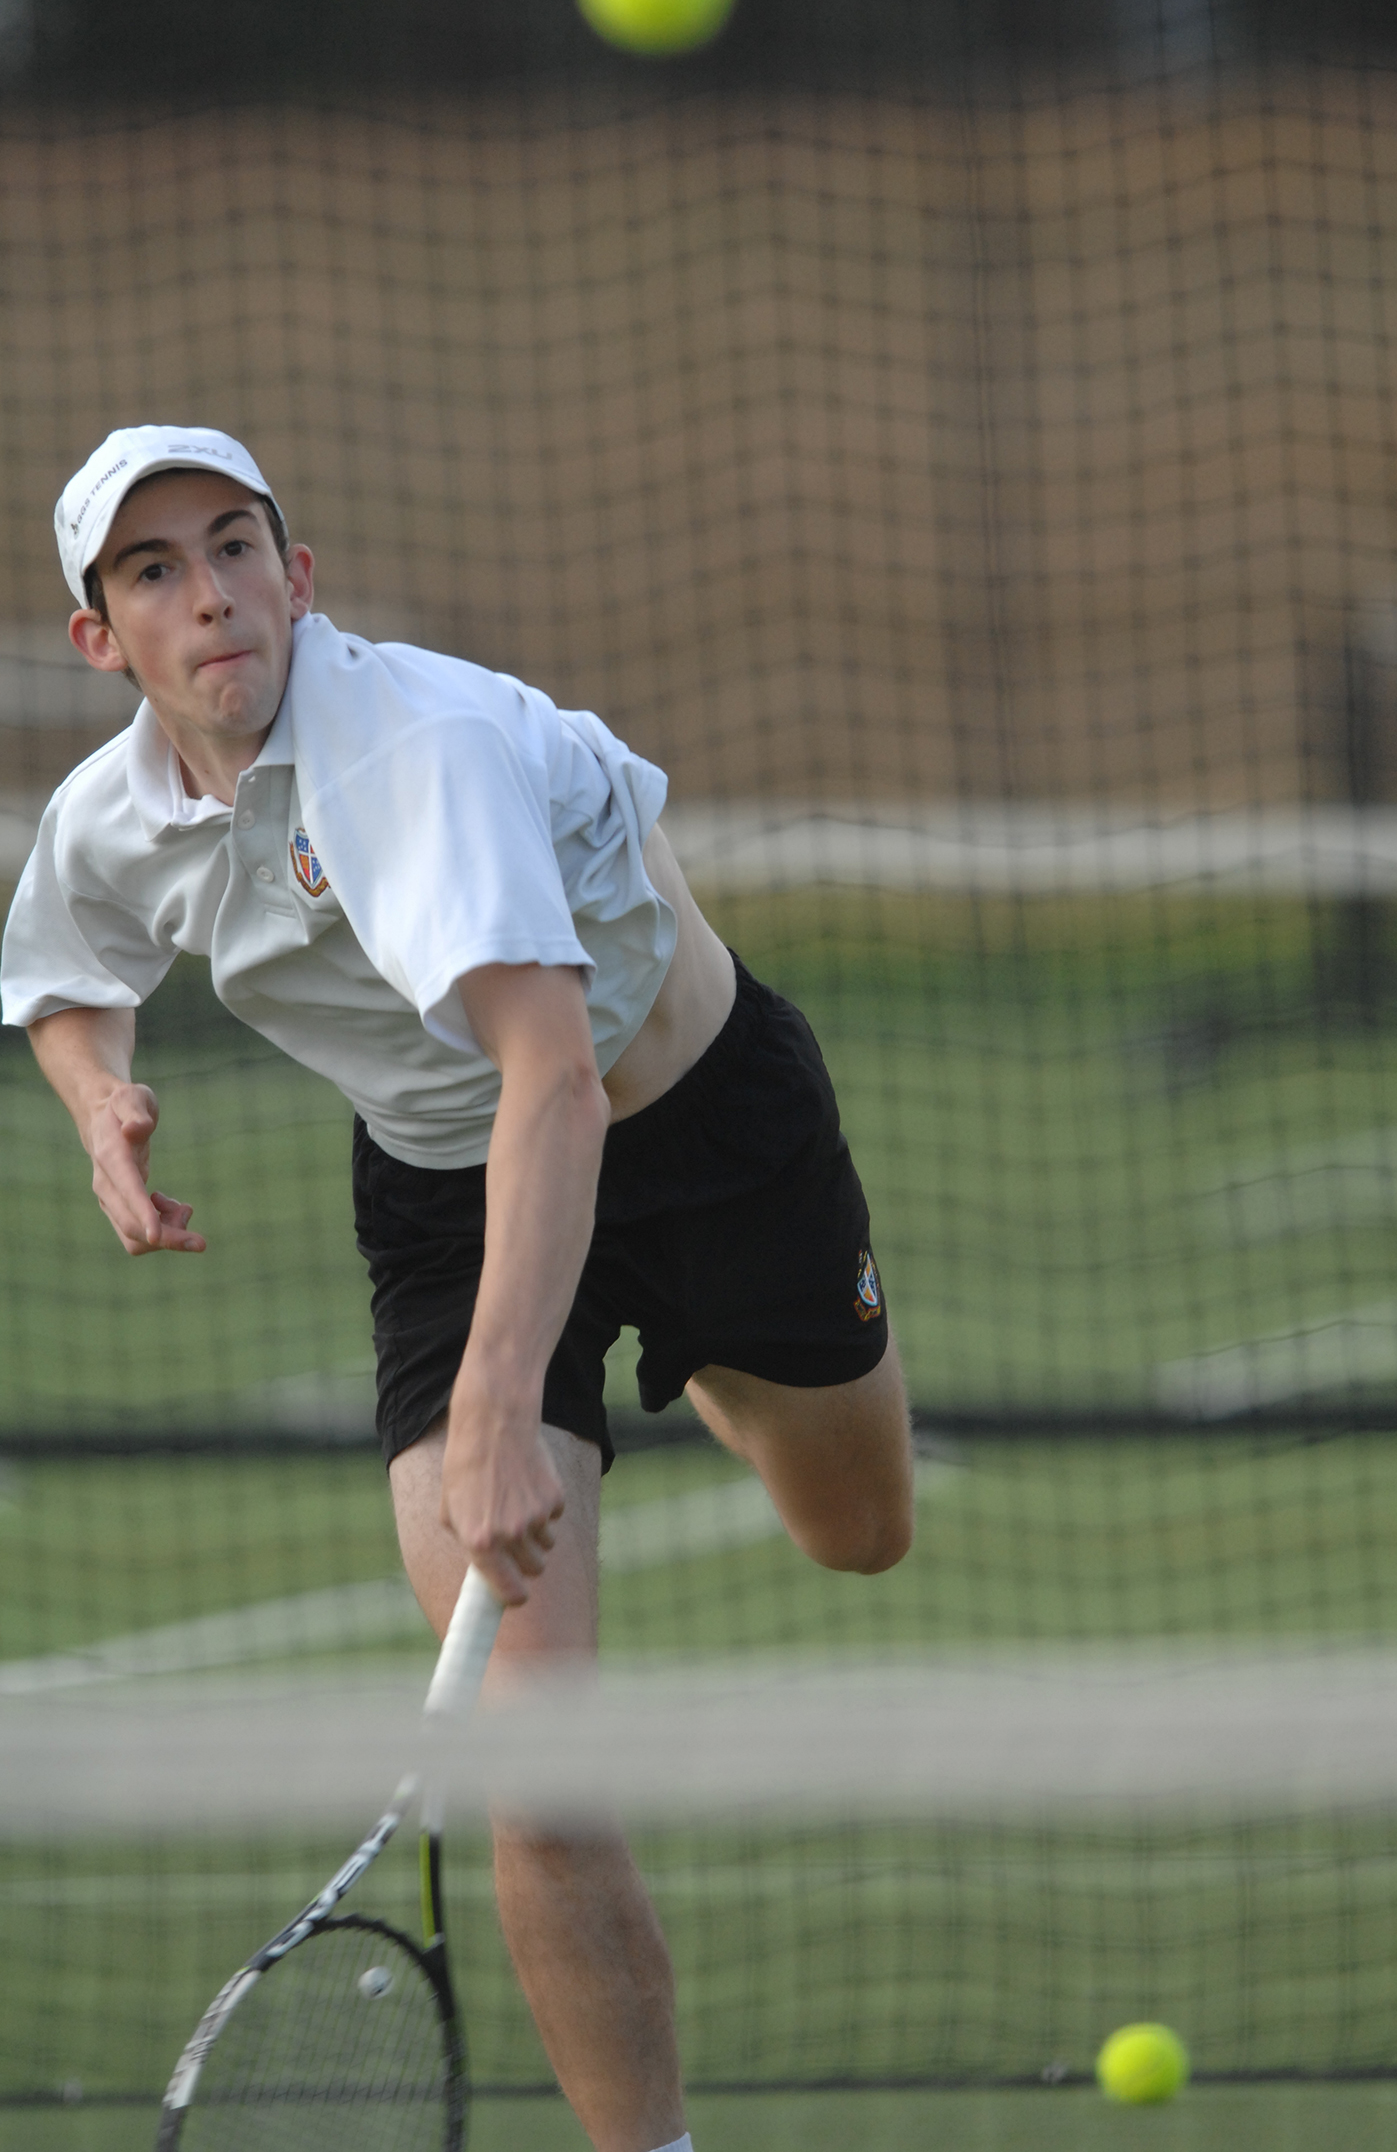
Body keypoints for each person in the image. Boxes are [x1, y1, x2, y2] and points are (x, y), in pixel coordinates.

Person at [1, 424, 914, 2152]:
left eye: (234, 547)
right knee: (532, 1754)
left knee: (859, 1531)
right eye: (153, 571)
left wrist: (507, 1412)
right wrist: (97, 1099)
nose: (210, 595)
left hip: (699, 1122)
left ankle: (698, 1363)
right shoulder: (116, 806)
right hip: (445, 1191)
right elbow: (64, 963)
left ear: (300, 576)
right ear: (102, 640)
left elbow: (555, 1079)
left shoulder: (407, 752)